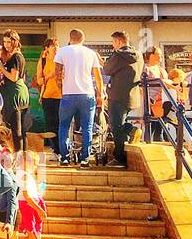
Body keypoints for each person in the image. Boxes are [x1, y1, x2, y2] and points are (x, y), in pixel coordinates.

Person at [53, 29, 103, 166]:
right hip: (87, 94)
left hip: (68, 94)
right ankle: (85, 158)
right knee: (87, 127)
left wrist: (61, 89)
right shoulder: (90, 53)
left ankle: (64, 157)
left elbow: (56, 73)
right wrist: (100, 94)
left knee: (64, 126)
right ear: (83, 39)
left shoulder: (62, 51)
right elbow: (98, 77)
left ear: (70, 38)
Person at [101, 31, 143, 167]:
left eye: (113, 42)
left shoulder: (119, 55)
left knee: (116, 125)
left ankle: (120, 158)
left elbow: (107, 69)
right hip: (131, 95)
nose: (113, 46)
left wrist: (105, 62)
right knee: (120, 123)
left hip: (117, 95)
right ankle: (131, 130)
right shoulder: (138, 55)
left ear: (119, 42)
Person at [0, 30, 31, 145]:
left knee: (17, 131)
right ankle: (23, 158)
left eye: (9, 42)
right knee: (21, 130)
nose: (6, 44)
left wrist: (1, 68)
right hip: (17, 93)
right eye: (5, 42)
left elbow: (14, 77)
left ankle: (18, 159)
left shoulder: (16, 57)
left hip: (15, 96)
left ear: (15, 42)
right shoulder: (14, 56)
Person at [37, 38, 61, 146]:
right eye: (52, 45)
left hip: (62, 96)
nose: (56, 47)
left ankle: (63, 150)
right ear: (46, 48)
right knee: (51, 125)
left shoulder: (62, 60)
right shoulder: (43, 61)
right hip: (48, 97)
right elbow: (39, 80)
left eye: (57, 45)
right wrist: (49, 76)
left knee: (62, 124)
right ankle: (55, 149)